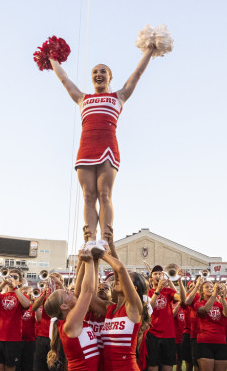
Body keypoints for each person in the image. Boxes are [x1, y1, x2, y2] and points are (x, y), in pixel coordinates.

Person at [46, 46, 158, 247]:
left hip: (107, 147)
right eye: (95, 72)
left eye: (103, 71)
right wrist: (51, 58)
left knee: (104, 194)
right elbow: (64, 79)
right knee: (88, 195)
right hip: (86, 148)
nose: (98, 74)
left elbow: (137, 74)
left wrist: (149, 50)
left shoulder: (119, 97)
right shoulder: (82, 98)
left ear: (110, 77)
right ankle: (90, 239)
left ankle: (106, 239)